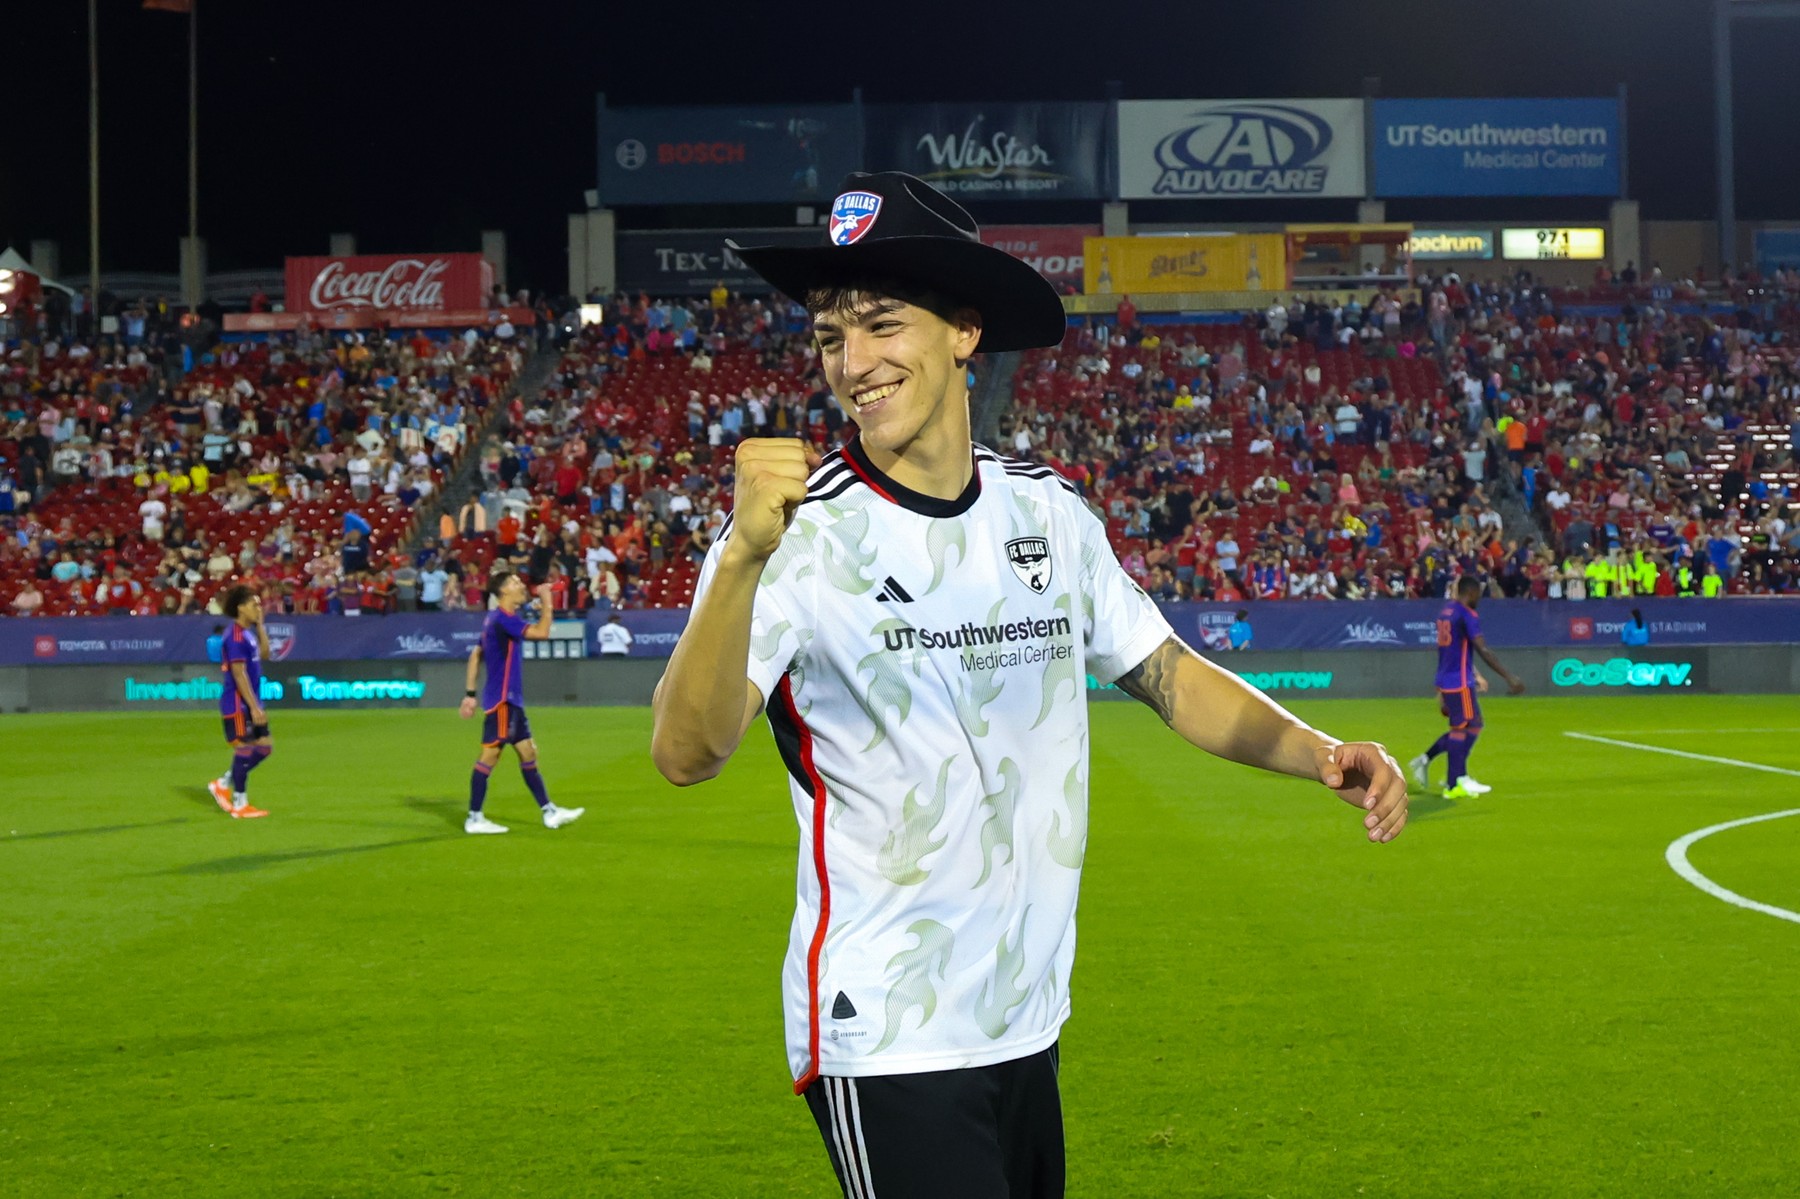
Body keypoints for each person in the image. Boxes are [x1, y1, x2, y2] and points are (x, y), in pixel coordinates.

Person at [651, 171, 1408, 1199]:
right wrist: (739, 557)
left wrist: (1318, 751)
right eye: (832, 335)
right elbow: (686, 754)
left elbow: (1173, 677)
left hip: (1025, 1017)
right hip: (890, 1031)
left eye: (880, 324)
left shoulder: (1048, 509)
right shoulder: (794, 536)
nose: (853, 362)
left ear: (964, 331)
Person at [458, 572, 585, 835]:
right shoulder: (503, 619)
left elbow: (475, 654)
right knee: (490, 755)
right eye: (514, 583)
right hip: (503, 701)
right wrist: (548, 601)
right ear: (503, 592)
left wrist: (470, 694)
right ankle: (474, 817)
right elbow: (542, 632)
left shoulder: (496, 619)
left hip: (508, 701)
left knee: (528, 753)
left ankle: (549, 811)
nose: (520, 586)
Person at [1409, 576, 1524, 800]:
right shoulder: (1467, 614)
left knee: (1473, 725)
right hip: (1459, 682)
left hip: (1449, 678)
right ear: (1470, 593)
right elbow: (1484, 650)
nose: (1480, 599)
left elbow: (1454, 650)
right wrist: (1509, 677)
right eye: (1479, 594)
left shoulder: (1447, 612)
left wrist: (1473, 675)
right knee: (1460, 730)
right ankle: (1454, 782)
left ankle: (1441, 768)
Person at [207, 584, 274, 819]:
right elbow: (238, 673)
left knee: (265, 747)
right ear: (240, 608)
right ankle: (239, 803)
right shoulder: (234, 636)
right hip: (237, 704)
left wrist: (261, 626)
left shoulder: (248, 634)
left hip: (252, 702)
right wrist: (254, 707)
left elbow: (266, 655)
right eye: (254, 605)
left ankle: (223, 783)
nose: (258, 608)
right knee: (244, 749)